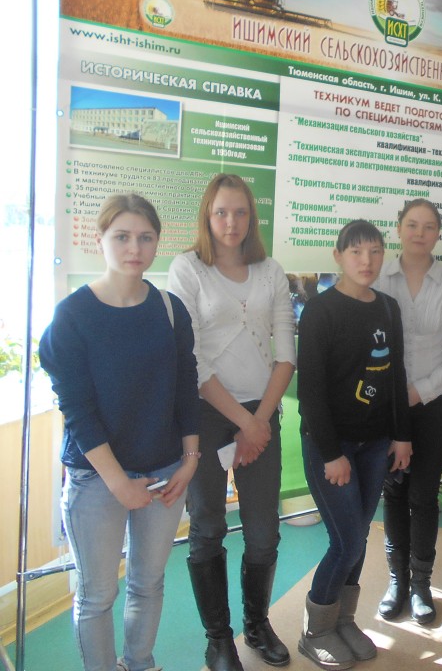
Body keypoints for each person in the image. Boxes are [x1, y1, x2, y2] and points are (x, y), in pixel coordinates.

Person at [39, 194, 200, 671]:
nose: (134, 248)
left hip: (164, 470)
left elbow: (185, 385)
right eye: (122, 236)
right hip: (97, 478)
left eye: (145, 237)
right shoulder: (72, 316)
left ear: (157, 242)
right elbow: (77, 409)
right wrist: (118, 483)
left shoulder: (169, 309)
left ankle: (140, 662)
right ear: (100, 240)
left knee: (148, 582)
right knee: (97, 595)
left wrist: (190, 460)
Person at [166, 174, 296, 670]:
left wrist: (258, 421)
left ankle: (256, 625)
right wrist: (245, 421)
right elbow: (191, 357)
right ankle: (218, 639)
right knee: (207, 526)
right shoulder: (187, 269)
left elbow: (286, 353)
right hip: (205, 415)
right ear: (207, 214)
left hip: (261, 411)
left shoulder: (270, 270)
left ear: (251, 217)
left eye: (240, 212)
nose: (231, 222)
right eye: (221, 211)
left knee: (263, 532)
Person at [296, 220, 413, 669]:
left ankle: (343, 622)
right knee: (346, 541)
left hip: (375, 444)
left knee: (359, 539)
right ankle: (315, 631)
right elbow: (311, 393)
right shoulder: (320, 311)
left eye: (375, 251)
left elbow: (396, 377)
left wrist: (401, 434)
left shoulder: (387, 308)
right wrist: (332, 454)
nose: (367, 261)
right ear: (338, 256)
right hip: (333, 447)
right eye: (356, 252)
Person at [374, 199, 442, 624]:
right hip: (386, 406)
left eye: (429, 226)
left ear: (438, 234)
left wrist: (422, 391)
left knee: (423, 495)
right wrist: (396, 395)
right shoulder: (378, 277)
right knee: (394, 491)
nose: (419, 233)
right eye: (412, 224)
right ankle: (396, 581)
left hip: (433, 405)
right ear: (398, 228)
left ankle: (421, 585)